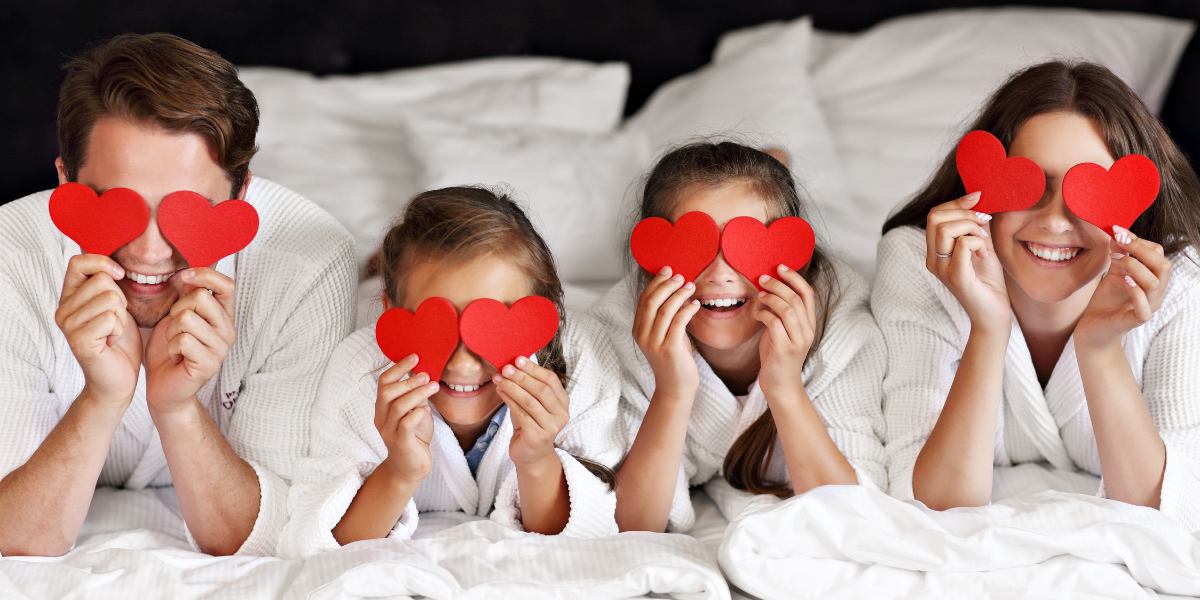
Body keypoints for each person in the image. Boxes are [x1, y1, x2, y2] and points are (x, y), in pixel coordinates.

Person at [0, 33, 356, 556]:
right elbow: (16, 538)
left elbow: (267, 535)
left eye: (184, 210)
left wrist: (178, 408)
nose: (148, 253)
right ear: (64, 182)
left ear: (241, 192)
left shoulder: (309, 265)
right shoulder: (9, 257)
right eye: (117, 204)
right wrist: (101, 399)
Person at [875, 61, 1200, 529]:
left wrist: (1100, 349)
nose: (1053, 221)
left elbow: (1165, 515)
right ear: (983, 189)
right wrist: (988, 329)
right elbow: (934, 506)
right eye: (1029, 187)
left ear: (1134, 207)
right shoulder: (921, 264)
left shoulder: (1177, 286)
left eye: (1089, 195)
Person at [278, 186, 624, 558]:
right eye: (435, 329)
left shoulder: (582, 362)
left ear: (533, 321)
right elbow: (311, 544)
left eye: (491, 330)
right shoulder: (358, 372)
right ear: (391, 311)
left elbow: (593, 532)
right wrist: (400, 469)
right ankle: (373, 272)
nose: (462, 363)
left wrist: (537, 458)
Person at [590, 141, 887, 533]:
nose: (719, 274)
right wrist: (671, 391)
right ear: (651, 263)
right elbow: (633, 524)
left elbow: (851, 516)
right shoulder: (615, 334)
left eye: (744, 247)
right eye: (694, 249)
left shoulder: (841, 326)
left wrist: (784, 385)